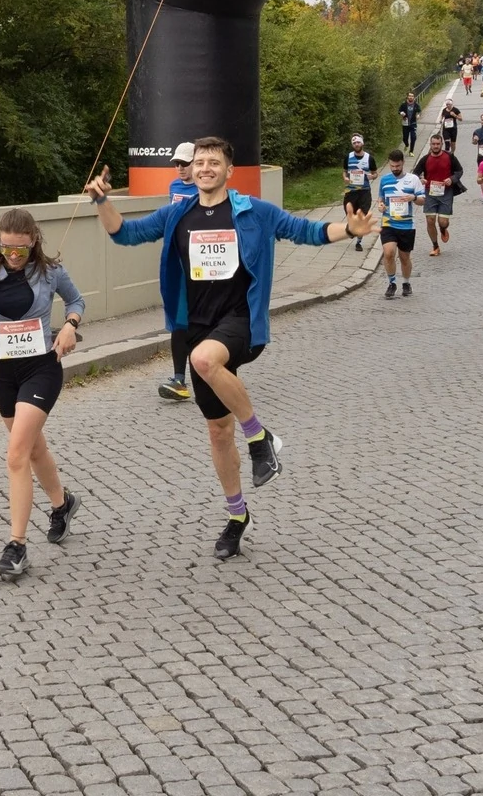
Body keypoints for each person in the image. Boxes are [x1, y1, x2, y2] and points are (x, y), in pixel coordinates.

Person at [86, 138, 369, 560]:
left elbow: (305, 231)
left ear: (228, 171)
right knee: (218, 431)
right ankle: (238, 516)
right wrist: (102, 201)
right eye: (199, 162)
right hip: (198, 324)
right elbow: (124, 234)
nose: (205, 168)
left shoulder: (254, 211)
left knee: (202, 359)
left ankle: (260, 437)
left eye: (213, 162)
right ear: (191, 169)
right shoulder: (177, 213)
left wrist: (348, 229)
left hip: (241, 321)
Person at [0, 209, 86, 580]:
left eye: (20, 250)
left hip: (41, 367)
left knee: (16, 455)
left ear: (33, 242)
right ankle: (63, 504)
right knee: (34, 449)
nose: (12, 256)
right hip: (4, 371)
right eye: (6, 248)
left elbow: (76, 301)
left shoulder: (51, 271)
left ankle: (16, 546)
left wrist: (69, 326)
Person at [158, 142, 202, 400]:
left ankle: (217, 372)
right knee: (180, 321)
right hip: (180, 264)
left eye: (185, 163)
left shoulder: (207, 188)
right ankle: (178, 379)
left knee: (207, 320)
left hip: (203, 265)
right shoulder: (174, 187)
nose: (180, 168)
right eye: (176, 163)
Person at [377, 149, 422, 298]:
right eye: (392, 166)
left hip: (407, 225)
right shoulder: (384, 180)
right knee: (388, 253)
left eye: (398, 166)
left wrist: (413, 198)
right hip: (388, 223)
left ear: (403, 163)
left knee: (404, 257)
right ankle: (392, 283)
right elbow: (381, 199)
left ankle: (406, 282)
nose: (395, 169)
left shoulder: (413, 179)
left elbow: (423, 200)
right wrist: (380, 206)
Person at [418, 133, 464, 257]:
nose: (436, 146)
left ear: (442, 144)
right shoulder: (425, 159)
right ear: (430, 144)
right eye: (433, 144)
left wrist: (452, 179)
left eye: (438, 144)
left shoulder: (449, 157)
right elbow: (415, 173)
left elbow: (459, 171)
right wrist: (421, 179)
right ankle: (435, 246)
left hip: (446, 192)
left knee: (443, 222)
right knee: (430, 220)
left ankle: (443, 229)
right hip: (430, 192)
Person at [343, 134, 375, 252]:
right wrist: (345, 178)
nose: (356, 144)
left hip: (364, 192)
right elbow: (344, 171)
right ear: (352, 145)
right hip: (351, 191)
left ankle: (359, 243)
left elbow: (375, 173)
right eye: (354, 143)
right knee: (351, 215)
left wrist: (372, 176)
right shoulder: (348, 157)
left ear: (362, 143)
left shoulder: (369, 158)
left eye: (358, 142)